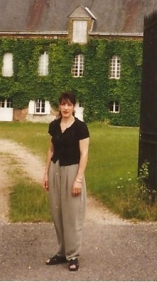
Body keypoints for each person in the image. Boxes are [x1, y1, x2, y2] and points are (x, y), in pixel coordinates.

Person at [42, 91, 89, 272]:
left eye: (69, 104)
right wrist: (46, 173)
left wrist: (78, 179)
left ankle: (73, 255)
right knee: (58, 213)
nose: (66, 108)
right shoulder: (54, 126)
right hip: (55, 170)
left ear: (74, 106)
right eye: (63, 104)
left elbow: (84, 153)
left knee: (72, 214)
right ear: (59, 106)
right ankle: (62, 252)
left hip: (72, 171)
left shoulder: (80, 127)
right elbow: (50, 151)